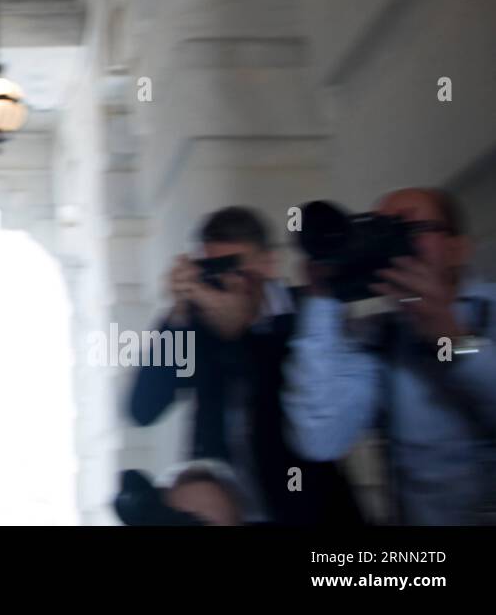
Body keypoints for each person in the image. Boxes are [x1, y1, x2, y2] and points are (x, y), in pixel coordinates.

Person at [129, 206, 362, 524]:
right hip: (225, 510)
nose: (224, 281)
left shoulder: (309, 313)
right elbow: (143, 408)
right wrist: (178, 313)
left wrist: (238, 335)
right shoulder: (195, 325)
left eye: (233, 266)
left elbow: (305, 416)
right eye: (211, 268)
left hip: (305, 508)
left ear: (267, 264)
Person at [284, 187, 496, 524]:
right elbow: (320, 438)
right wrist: (322, 299)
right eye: (379, 229)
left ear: (458, 248)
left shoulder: (490, 310)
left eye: (410, 228)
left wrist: (455, 340)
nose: (392, 244)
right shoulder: (381, 334)